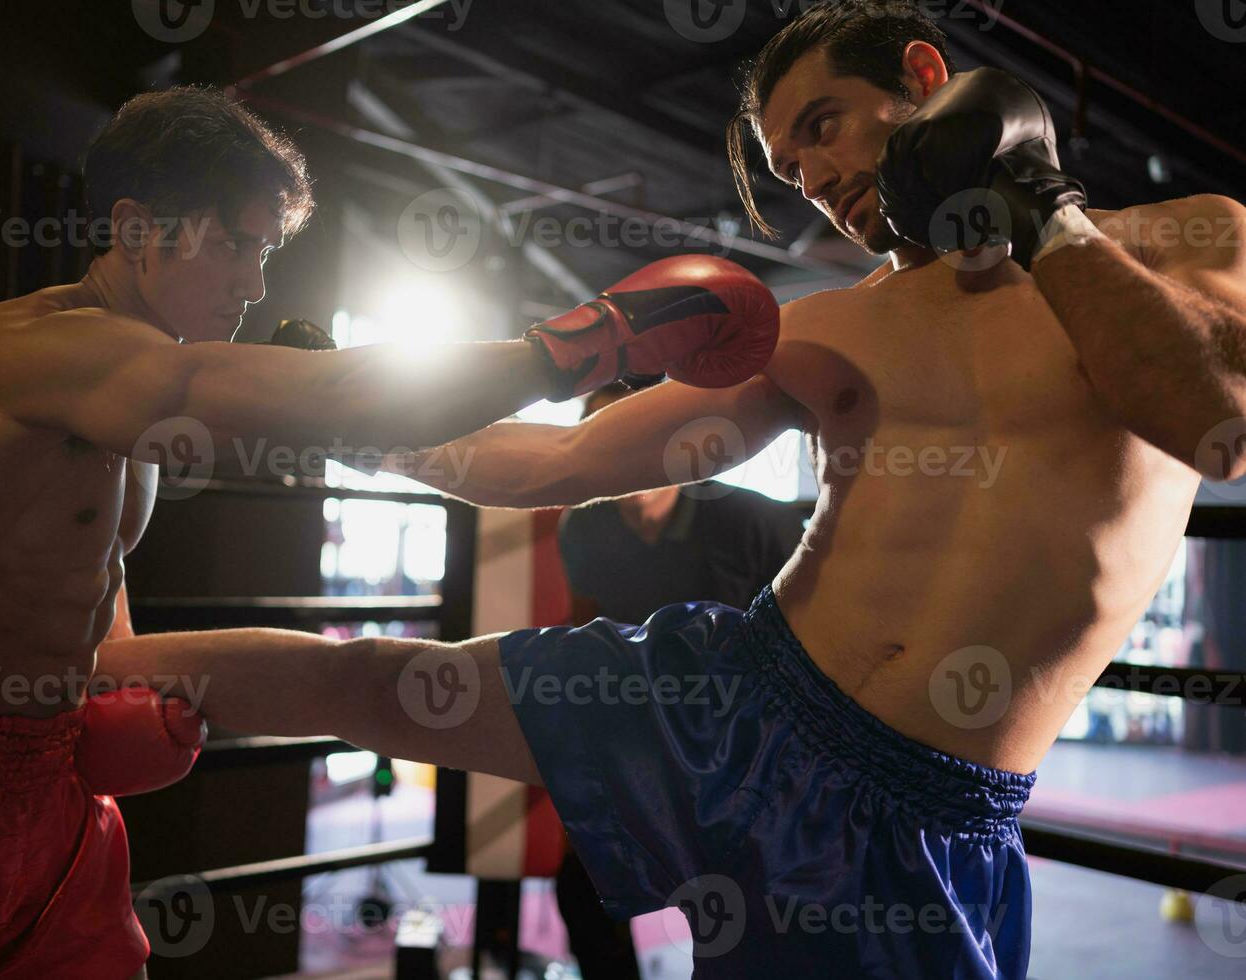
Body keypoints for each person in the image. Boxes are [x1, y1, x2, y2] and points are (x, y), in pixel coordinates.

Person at [84, 2, 1246, 976]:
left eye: (827, 128)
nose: (823, 180)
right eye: (796, 166)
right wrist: (347, 416)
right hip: (736, 693)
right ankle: (46, 676)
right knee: (377, 679)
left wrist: (1039, 204)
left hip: (929, 808)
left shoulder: (1189, 235)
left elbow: (1213, 419)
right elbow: (554, 462)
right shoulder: (830, 325)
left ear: (930, 81)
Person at [0, 85, 776, 978]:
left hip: (56, 790)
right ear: (139, 227)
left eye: (267, 251)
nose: (254, 285)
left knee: (347, 681)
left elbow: (90, 596)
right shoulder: (36, 353)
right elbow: (350, 396)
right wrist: (581, 345)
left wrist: (96, 701)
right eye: (241, 245)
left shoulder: (126, 398)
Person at [552, 383, 806, 978]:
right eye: (596, 434)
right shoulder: (583, 529)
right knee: (581, 889)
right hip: (650, 744)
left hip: (749, 758)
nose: (610, 448)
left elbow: (820, 647)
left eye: (625, 429)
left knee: (743, 925)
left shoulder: (755, 522)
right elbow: (592, 642)